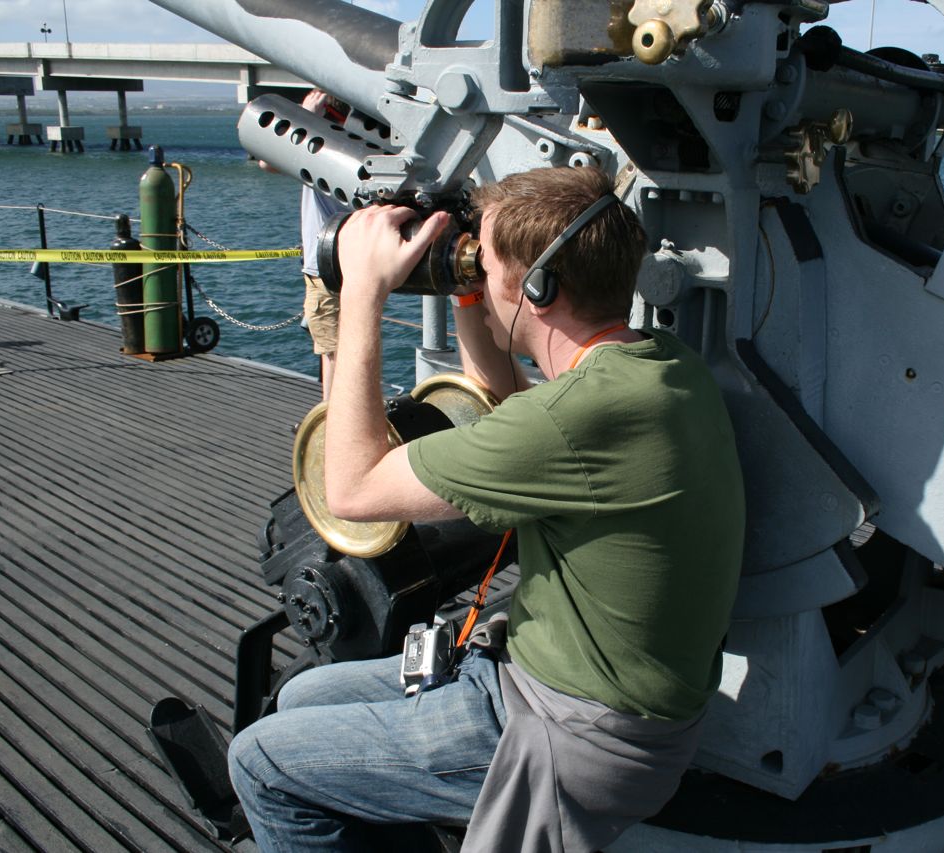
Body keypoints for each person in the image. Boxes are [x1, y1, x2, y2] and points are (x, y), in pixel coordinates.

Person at [228, 166, 746, 851]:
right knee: (300, 698)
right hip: (586, 697)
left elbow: (349, 489)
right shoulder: (656, 367)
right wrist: (467, 289)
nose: (473, 268)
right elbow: (513, 403)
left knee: (260, 760)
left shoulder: (575, 422)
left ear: (539, 288)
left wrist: (363, 295)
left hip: (569, 734)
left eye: (484, 260)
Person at [262, 88, 350, 400]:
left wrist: (304, 118)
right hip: (357, 266)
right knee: (349, 350)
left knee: (334, 355)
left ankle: (332, 424)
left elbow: (267, 160)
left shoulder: (316, 151)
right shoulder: (356, 148)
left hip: (324, 268)